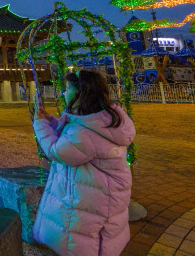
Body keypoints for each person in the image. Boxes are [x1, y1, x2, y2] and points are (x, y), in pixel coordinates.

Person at [33, 69, 136, 256]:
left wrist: (40, 124)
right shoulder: (103, 118)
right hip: (102, 193)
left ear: (80, 92)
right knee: (102, 237)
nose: (64, 93)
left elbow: (57, 151)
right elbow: (73, 137)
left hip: (90, 199)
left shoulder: (85, 132)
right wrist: (50, 120)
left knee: (85, 243)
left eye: (66, 89)